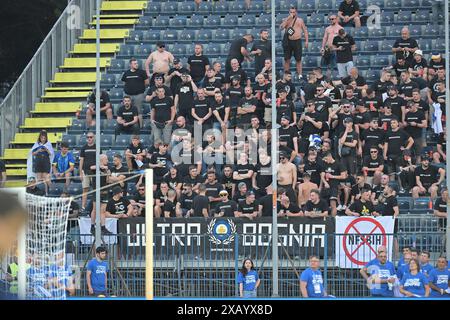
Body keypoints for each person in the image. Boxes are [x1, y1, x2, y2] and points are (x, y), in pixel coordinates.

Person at [280, 5, 309, 79]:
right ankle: (286, 74)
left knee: (298, 59)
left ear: (296, 12)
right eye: (291, 12)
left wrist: (306, 41)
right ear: (289, 12)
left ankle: (300, 75)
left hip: (297, 41)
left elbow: (305, 30)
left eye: (294, 12)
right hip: (288, 41)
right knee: (287, 59)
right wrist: (288, 19)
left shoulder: (300, 20)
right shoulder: (286, 19)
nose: (292, 13)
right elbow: (281, 28)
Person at [121, 58, 149, 127]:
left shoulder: (142, 72)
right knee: (127, 110)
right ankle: (127, 125)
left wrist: (140, 89)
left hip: (138, 95)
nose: (137, 65)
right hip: (128, 95)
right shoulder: (126, 73)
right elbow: (124, 82)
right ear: (130, 65)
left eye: (137, 63)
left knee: (138, 111)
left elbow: (147, 82)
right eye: (135, 63)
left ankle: (141, 127)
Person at [28, 130, 54, 195]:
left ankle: (51, 192)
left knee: (46, 179)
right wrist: (38, 150)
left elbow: (51, 154)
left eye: (44, 138)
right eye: (42, 138)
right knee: (39, 180)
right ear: (40, 137)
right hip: (38, 162)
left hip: (45, 162)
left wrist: (46, 149)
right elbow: (32, 153)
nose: (43, 139)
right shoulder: (36, 144)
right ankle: (42, 193)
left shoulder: (48, 144)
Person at [321, 14, 343, 79]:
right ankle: (327, 80)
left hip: (336, 50)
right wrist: (322, 47)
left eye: (333, 19)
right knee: (327, 67)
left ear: (336, 19)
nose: (331, 20)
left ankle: (338, 81)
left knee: (336, 66)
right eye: (330, 19)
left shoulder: (340, 28)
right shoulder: (327, 28)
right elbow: (325, 38)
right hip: (328, 50)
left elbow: (342, 39)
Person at [79, 132, 96, 212]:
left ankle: (95, 207)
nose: (89, 138)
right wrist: (80, 172)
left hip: (95, 172)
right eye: (88, 137)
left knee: (96, 189)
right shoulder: (83, 148)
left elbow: (100, 159)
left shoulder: (97, 147)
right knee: (85, 189)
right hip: (85, 171)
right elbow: (81, 161)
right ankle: (83, 207)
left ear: (94, 137)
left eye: (91, 137)